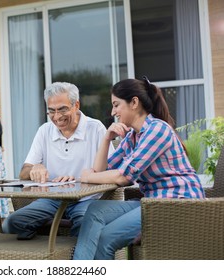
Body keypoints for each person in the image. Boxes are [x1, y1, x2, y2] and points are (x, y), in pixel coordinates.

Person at [73, 77, 205, 260]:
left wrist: (86, 177)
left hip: (179, 203)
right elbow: (102, 170)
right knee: (95, 210)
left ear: (134, 102)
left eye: (116, 105)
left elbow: (123, 177)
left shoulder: (157, 130)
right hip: (153, 201)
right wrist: (106, 138)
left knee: (106, 237)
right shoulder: (132, 137)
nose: (113, 112)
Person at [2, 82, 113, 238]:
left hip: (85, 200)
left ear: (76, 105)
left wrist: (80, 180)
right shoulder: (44, 130)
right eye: (51, 111)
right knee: (12, 222)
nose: (57, 117)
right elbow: (23, 173)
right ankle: (44, 256)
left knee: (85, 223)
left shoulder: (96, 128)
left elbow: (111, 171)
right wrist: (36, 167)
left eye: (63, 109)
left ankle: (72, 259)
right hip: (52, 200)